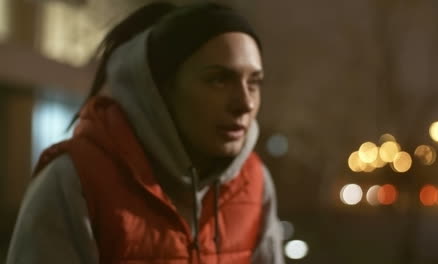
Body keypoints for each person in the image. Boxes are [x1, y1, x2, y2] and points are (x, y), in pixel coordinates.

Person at [6, 2, 284, 263]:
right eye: (218, 79)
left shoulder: (254, 183)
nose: (244, 103)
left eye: (254, 82)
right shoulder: (75, 182)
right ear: (160, 91)